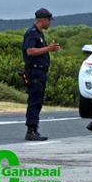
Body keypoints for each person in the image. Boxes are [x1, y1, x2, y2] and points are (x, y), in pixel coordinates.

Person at [22, 8, 61, 141]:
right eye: (49, 20)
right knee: (35, 101)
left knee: (38, 101)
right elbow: (30, 51)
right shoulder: (32, 33)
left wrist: (48, 49)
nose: (49, 23)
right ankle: (31, 130)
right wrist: (48, 49)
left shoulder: (39, 34)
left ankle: (34, 129)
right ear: (43, 20)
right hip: (35, 72)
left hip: (40, 72)